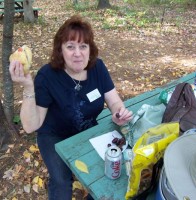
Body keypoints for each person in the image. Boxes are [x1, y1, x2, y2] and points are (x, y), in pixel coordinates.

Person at [9, 15, 133, 200]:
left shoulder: (97, 67)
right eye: (70, 46)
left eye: (83, 46)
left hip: (87, 130)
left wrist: (118, 112)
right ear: (60, 50)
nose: (78, 53)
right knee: (61, 181)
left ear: (90, 49)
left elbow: (114, 101)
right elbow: (30, 126)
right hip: (54, 136)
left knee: (111, 171)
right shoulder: (47, 75)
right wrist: (28, 86)